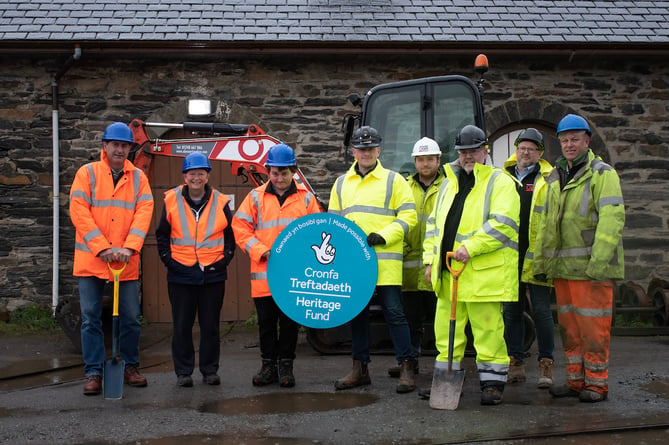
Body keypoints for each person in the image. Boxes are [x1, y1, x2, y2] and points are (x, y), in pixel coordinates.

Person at [423, 124, 519, 405]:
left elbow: (504, 225)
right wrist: (431, 261)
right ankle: (445, 380)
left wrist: (470, 247)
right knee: (446, 332)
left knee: (488, 330)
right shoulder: (448, 184)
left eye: (474, 150)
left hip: (481, 274)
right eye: (464, 151)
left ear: (485, 151)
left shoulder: (500, 182)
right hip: (449, 274)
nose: (468, 156)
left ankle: (492, 384)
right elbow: (433, 227)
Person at [533, 114, 625, 403]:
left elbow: (612, 220)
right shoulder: (555, 177)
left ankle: (597, 384)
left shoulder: (602, 174)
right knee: (570, 328)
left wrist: (598, 265)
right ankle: (575, 381)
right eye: (565, 140)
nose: (570, 144)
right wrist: (540, 264)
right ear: (559, 142)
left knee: (593, 328)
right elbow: (544, 225)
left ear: (587, 141)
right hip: (563, 270)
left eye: (575, 139)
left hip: (590, 270)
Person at [329, 126, 418, 394]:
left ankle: (406, 366)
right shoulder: (341, 183)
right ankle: (360, 368)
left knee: (394, 313)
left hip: (386, 261)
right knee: (357, 315)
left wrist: (384, 235)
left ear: (379, 150)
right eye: (360, 148)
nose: (365, 153)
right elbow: (334, 223)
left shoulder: (394, 181)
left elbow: (409, 217)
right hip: (354, 264)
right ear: (353, 151)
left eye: (370, 148)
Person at [69, 122, 154, 395]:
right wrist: (101, 247)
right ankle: (94, 372)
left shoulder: (139, 178)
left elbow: (143, 213)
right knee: (90, 317)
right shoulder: (87, 174)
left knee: (130, 316)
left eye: (125, 145)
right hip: (92, 260)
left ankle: (129, 366)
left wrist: (130, 247)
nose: (120, 149)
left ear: (130, 148)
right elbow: (79, 211)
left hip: (124, 261)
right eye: (115, 144)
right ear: (105, 146)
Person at [232, 143, 321, 388]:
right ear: (268, 171)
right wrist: (261, 251)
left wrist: (301, 256)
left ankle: (286, 367)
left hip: (295, 275)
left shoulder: (306, 198)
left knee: (290, 323)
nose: (279, 177)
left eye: (284, 172)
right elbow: (240, 227)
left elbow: (316, 232)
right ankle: (268, 365)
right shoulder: (255, 197)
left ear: (293, 171)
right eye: (274, 172)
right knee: (267, 324)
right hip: (264, 274)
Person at [155, 152, 235, 387]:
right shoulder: (171, 200)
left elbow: (230, 238)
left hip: (213, 274)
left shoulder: (221, 202)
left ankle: (210, 371)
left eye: (201, 173)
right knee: (181, 326)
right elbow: (161, 235)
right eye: (192, 173)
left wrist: (223, 261)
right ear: (185, 176)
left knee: (210, 326)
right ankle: (183, 372)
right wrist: (169, 261)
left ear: (207, 175)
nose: (196, 178)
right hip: (180, 274)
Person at [502, 128, 556, 388]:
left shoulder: (549, 178)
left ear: (540, 153)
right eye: (521, 148)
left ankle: (546, 363)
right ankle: (516, 360)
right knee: (512, 310)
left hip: (537, 255)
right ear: (516, 150)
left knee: (543, 311)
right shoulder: (503, 176)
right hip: (510, 254)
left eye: (531, 149)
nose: (525, 152)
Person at [388, 137, 443, 379]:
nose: (425, 164)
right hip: (409, 267)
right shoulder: (404, 187)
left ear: (438, 160)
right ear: (415, 161)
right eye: (421, 159)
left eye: (430, 159)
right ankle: (410, 361)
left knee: (439, 319)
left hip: (436, 265)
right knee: (410, 320)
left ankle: (444, 367)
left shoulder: (449, 186)